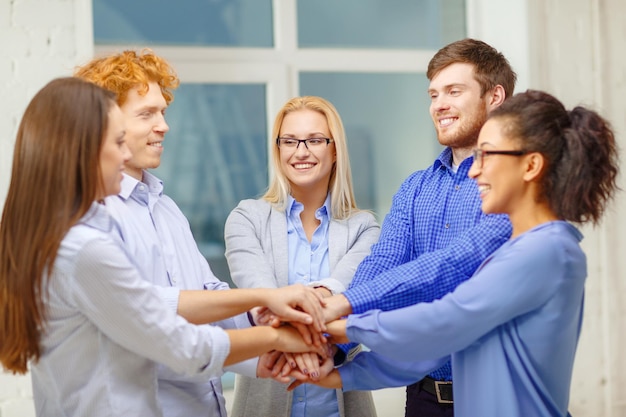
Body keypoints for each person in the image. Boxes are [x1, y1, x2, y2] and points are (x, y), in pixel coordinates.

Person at [0, 77, 330, 416]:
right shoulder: (83, 248)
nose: (126, 152)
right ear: (84, 149)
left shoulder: (149, 212)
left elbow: (160, 300)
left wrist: (260, 302)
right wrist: (278, 339)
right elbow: (179, 343)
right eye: (119, 140)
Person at [300, 89, 620, 417]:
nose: (474, 171)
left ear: (531, 165)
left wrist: (338, 327)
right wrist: (339, 375)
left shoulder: (548, 250)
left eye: (488, 155)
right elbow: (438, 348)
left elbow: (446, 320)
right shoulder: (516, 252)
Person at [311, 38, 515, 416]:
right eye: (433, 94)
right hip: (423, 398)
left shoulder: (514, 185)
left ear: (495, 96)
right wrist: (329, 344)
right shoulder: (415, 187)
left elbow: (452, 270)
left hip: (494, 396)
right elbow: (382, 265)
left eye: (454, 91)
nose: (439, 105)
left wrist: (340, 308)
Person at [74, 49, 263, 417]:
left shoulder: (165, 206)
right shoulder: (91, 214)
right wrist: (268, 322)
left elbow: (208, 294)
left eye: (163, 111)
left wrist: (260, 316)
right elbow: (144, 311)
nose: (164, 125)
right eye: (146, 114)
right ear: (104, 124)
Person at [224, 96, 380, 417]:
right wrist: (304, 338)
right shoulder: (246, 218)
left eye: (314, 140)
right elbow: (264, 298)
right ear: (278, 149)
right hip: (262, 404)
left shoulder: (364, 228)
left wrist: (318, 344)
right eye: (290, 141)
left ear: (335, 150)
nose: (301, 151)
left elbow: (343, 294)